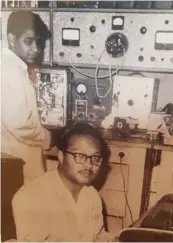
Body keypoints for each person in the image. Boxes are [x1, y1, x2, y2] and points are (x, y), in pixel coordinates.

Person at [12, 123, 117, 242]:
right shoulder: (31, 198)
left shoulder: (91, 195)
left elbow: (97, 236)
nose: (89, 165)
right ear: (61, 156)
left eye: (95, 158)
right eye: (79, 155)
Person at [1, 10, 52, 184]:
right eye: (28, 41)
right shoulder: (11, 71)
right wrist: (46, 138)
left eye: (38, 42)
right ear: (12, 38)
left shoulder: (8, 65)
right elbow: (19, 124)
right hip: (18, 163)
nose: (35, 49)